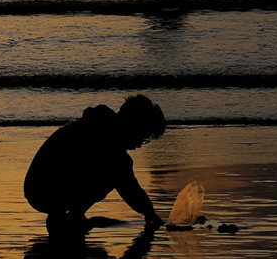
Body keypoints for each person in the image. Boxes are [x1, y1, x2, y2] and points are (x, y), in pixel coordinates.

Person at [23, 94, 168, 235]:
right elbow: (129, 188)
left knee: (117, 167)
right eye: (143, 137)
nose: (139, 145)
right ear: (135, 126)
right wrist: (150, 213)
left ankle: (67, 214)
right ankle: (74, 214)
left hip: (35, 186)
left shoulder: (94, 123)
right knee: (118, 169)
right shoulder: (108, 142)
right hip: (46, 190)